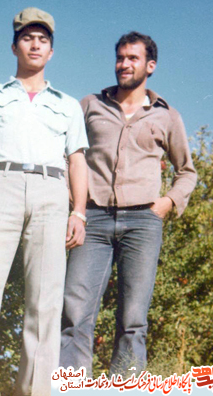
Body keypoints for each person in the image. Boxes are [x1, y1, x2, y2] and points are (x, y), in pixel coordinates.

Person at [0, 7, 89, 396]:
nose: (35, 45)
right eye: (27, 38)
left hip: (52, 191)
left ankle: (36, 390)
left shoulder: (68, 105)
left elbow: (77, 160)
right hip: (1, 186)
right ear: (14, 46)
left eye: (42, 39)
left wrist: (78, 212)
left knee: (45, 299)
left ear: (51, 51)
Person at [60, 31, 197, 377]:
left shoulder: (167, 116)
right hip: (92, 218)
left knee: (133, 318)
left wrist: (167, 203)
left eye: (133, 58)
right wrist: (74, 205)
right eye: (120, 57)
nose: (124, 64)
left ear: (150, 66)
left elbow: (187, 172)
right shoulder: (90, 105)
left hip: (143, 223)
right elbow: (67, 156)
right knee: (75, 311)